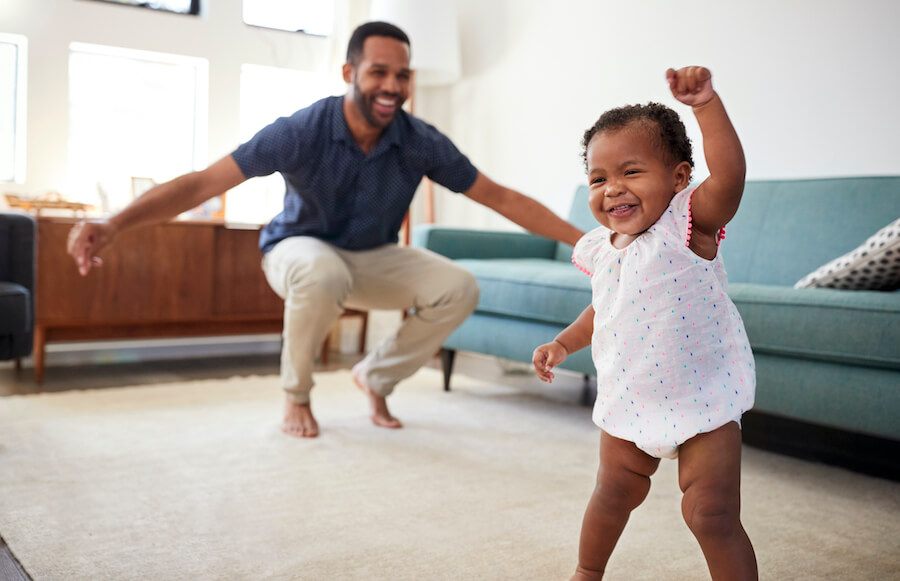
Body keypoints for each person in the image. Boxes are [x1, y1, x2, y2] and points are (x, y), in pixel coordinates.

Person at [67, 21, 583, 439]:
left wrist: (585, 242)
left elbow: (500, 197)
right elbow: (204, 182)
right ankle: (296, 395)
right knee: (319, 270)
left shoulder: (419, 140)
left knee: (459, 286)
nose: (392, 86)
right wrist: (114, 223)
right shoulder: (301, 130)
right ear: (349, 71)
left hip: (372, 256)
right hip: (297, 251)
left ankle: (375, 376)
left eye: (402, 76)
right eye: (379, 72)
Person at [532, 66, 757, 580]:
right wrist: (564, 345)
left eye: (631, 172)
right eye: (598, 178)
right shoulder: (600, 249)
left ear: (679, 178)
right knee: (612, 493)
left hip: (702, 398)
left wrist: (705, 106)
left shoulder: (687, 226)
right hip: (631, 395)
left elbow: (730, 177)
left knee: (711, 514)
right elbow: (605, 308)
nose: (612, 189)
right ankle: (587, 572)